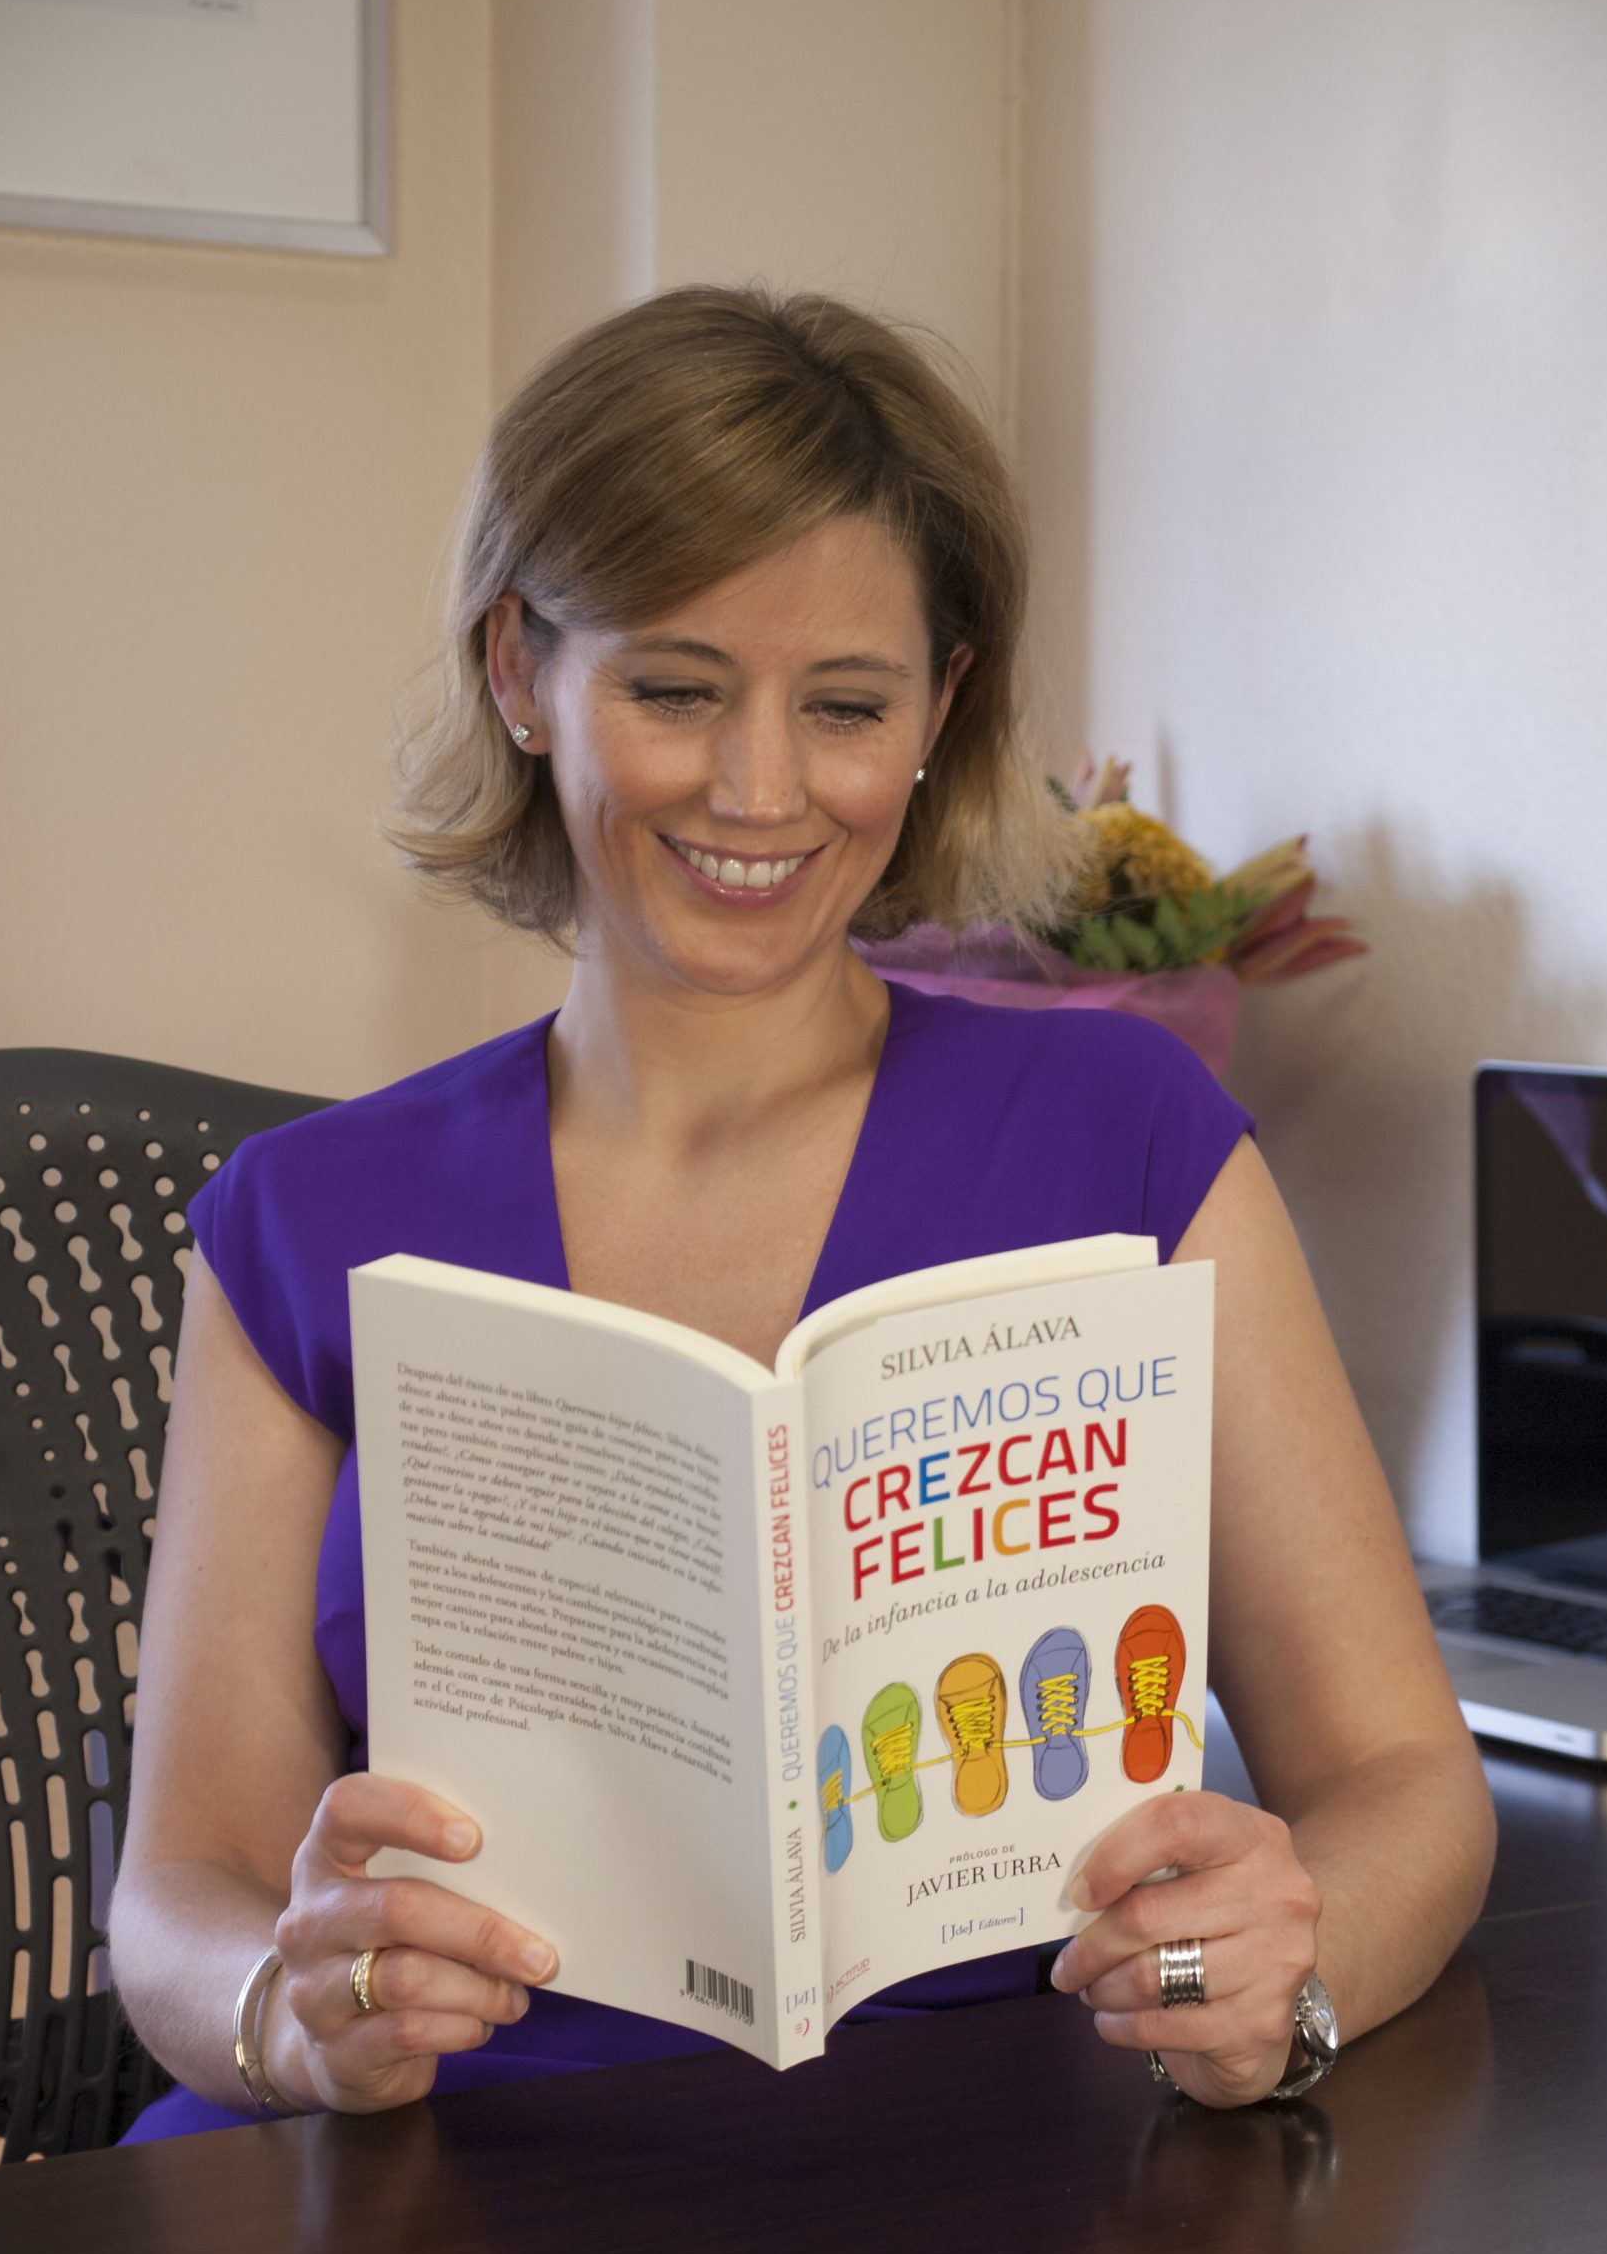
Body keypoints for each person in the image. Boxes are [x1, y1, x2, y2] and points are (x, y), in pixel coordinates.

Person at [109, 286, 1495, 2139]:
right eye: (675, 690)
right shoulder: (304, 1218)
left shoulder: (1127, 1138)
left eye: (846, 706)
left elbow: (1406, 1784)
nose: (760, 791)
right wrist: (292, 2014)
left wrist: (1282, 1981)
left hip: (981, 2187)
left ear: (941, 709)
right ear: (522, 673)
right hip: (431, 2194)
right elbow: (181, 1892)